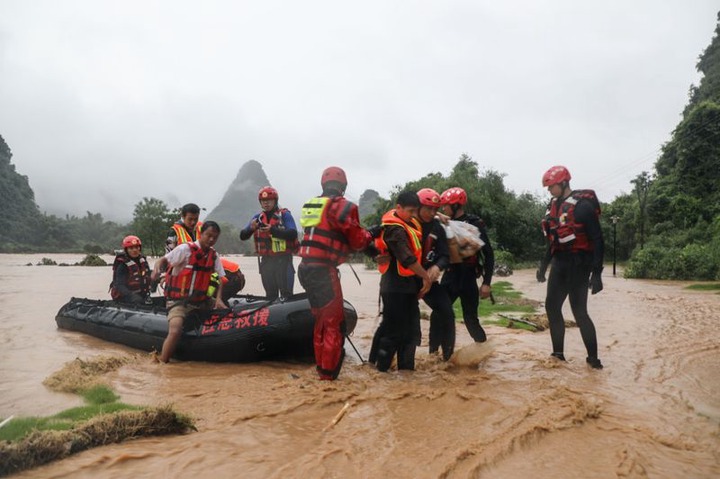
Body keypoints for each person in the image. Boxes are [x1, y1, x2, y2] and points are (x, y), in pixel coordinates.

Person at [297, 167, 372, 380]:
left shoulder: (311, 205)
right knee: (333, 324)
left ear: (323, 185)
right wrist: (371, 234)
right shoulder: (344, 207)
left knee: (320, 321)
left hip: (305, 270)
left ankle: (321, 368)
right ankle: (328, 377)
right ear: (343, 187)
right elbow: (358, 241)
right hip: (323, 273)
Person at [537, 165, 604, 369]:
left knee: (579, 311)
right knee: (552, 307)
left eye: (552, 187)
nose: (549, 191)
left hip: (579, 264)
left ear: (564, 183)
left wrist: (597, 274)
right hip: (560, 264)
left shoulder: (582, 207)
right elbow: (552, 240)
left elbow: (598, 240)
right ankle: (558, 355)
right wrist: (544, 265)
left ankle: (593, 360)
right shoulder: (553, 207)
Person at [369, 190, 432, 372]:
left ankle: (404, 372)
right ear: (399, 208)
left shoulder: (408, 223)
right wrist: (426, 276)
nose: (414, 215)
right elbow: (408, 259)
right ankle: (381, 373)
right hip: (395, 288)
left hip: (407, 287)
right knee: (393, 332)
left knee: (410, 332)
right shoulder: (394, 230)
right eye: (411, 211)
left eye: (415, 211)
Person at [151, 221, 228, 363]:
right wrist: (157, 269)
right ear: (201, 234)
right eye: (208, 235)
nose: (211, 240)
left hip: (202, 301)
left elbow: (221, 279)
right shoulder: (185, 249)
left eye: (215, 237)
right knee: (175, 331)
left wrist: (218, 300)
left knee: (228, 312)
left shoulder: (214, 255)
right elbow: (163, 260)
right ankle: (163, 363)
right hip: (179, 302)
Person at [439, 187, 494, 342]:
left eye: (446, 205)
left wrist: (486, 283)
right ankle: (436, 355)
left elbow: (488, 254)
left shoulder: (475, 224)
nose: (444, 208)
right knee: (439, 315)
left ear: (455, 206)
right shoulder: (444, 223)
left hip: (468, 277)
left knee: (470, 319)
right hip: (450, 275)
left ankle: (483, 351)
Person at [416, 188, 455, 361]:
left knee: (446, 311)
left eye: (435, 209)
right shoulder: (406, 222)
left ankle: (446, 359)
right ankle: (376, 363)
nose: (431, 213)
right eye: (428, 209)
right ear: (417, 207)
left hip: (429, 280)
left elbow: (444, 255)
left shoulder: (436, 227)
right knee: (399, 322)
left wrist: (437, 267)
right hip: (406, 281)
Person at [240, 187, 298, 300]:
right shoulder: (258, 218)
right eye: (263, 201)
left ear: (275, 201)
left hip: (283, 261)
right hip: (266, 262)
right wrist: (251, 229)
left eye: (269, 200)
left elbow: (293, 233)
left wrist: (273, 230)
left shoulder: (285, 215)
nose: (266, 203)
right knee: (270, 296)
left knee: (287, 295)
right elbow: (243, 236)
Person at [109, 235, 152, 305]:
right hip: (125, 297)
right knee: (138, 301)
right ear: (126, 250)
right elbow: (120, 285)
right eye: (131, 248)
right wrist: (131, 296)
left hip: (141, 295)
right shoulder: (122, 265)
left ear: (140, 248)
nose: (134, 250)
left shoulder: (143, 262)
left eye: (136, 247)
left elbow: (148, 275)